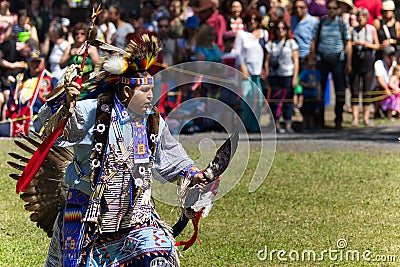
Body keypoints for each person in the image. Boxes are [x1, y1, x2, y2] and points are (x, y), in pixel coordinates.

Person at [41, 33, 207, 267]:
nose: (151, 96)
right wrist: (65, 103)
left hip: (135, 215)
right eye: (145, 91)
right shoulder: (92, 112)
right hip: (88, 212)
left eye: (152, 89)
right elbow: (52, 127)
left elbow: (172, 155)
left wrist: (192, 174)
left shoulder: (152, 122)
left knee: (159, 253)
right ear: (127, 92)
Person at [310, 0, 352, 130]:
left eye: (334, 8)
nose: (331, 10)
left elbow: (348, 43)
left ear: (338, 10)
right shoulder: (320, 23)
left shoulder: (342, 24)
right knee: (320, 91)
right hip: (322, 59)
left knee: (340, 90)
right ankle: (320, 120)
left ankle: (338, 119)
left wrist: (348, 62)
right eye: (329, 8)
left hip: (338, 59)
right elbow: (314, 41)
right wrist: (312, 58)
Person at [0, 49, 56, 137]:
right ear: (28, 63)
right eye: (33, 62)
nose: (36, 65)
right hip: (19, 118)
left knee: (37, 130)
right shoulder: (20, 79)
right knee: (1, 129)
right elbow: (11, 100)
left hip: (38, 118)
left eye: (38, 62)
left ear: (43, 61)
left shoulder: (51, 80)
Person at [235, 9, 268, 133]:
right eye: (249, 19)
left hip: (258, 72)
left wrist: (265, 67)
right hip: (246, 72)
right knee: (246, 100)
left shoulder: (264, 34)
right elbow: (238, 54)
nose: (252, 22)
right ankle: (246, 126)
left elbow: (266, 53)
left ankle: (255, 126)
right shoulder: (242, 35)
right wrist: (242, 68)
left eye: (255, 19)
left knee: (258, 101)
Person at [266, 20, 299, 133]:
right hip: (274, 75)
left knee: (288, 100)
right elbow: (267, 61)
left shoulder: (291, 43)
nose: (280, 31)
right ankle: (276, 123)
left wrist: (295, 77)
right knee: (275, 100)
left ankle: (288, 124)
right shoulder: (271, 44)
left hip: (288, 74)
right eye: (278, 28)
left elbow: (296, 61)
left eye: (283, 28)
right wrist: (266, 75)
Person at [350, 8, 380, 127]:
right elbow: (348, 46)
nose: (361, 18)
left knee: (367, 91)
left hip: (368, 63)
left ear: (367, 18)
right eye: (359, 16)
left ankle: (366, 118)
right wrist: (354, 44)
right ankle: (355, 118)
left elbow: (378, 45)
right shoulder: (352, 30)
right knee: (355, 91)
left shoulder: (371, 29)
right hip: (355, 62)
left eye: (363, 16)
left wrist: (366, 44)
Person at [299, 53, 321, 132]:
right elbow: (300, 82)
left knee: (313, 112)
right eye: (310, 61)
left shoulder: (317, 73)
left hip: (314, 95)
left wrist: (319, 94)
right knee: (306, 112)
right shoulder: (304, 72)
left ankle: (311, 126)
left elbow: (318, 84)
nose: (312, 63)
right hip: (306, 95)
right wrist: (307, 85)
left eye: (313, 61)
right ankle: (304, 126)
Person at [374, 45, 397, 119]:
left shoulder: (395, 64)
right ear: (384, 55)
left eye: (393, 55)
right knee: (377, 91)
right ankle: (376, 112)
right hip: (381, 87)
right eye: (390, 55)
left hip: (392, 87)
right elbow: (380, 79)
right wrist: (386, 88)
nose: (392, 57)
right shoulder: (379, 63)